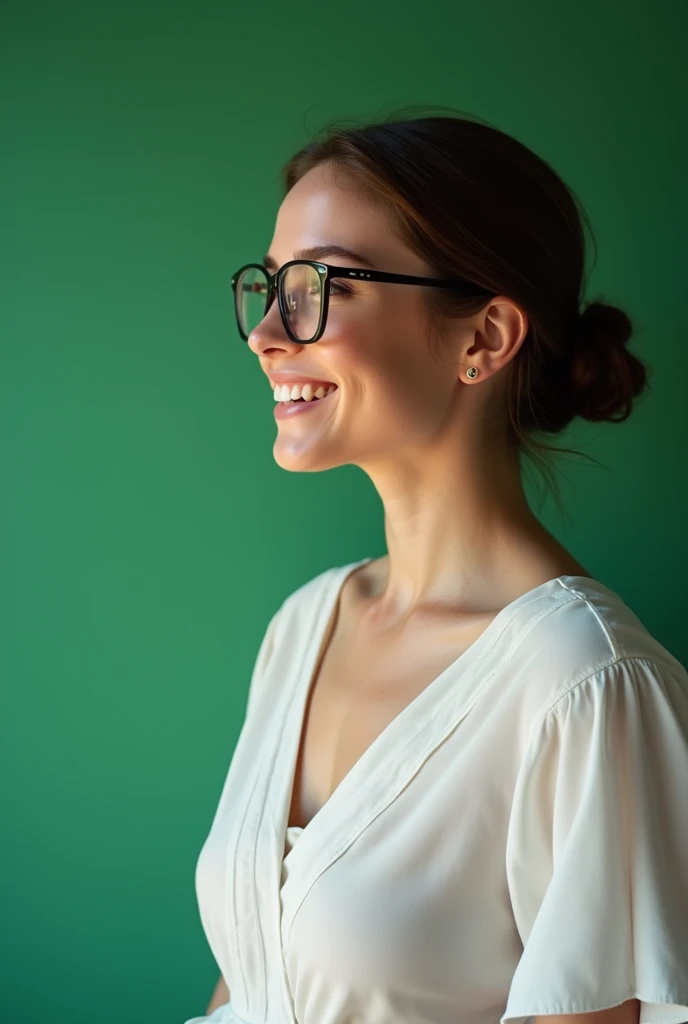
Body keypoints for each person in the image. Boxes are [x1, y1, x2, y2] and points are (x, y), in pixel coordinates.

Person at [184, 108, 688, 1024]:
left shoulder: (585, 685)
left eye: (317, 285)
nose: (266, 332)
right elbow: (256, 985)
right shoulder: (305, 624)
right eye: (268, 286)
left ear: (483, 339)